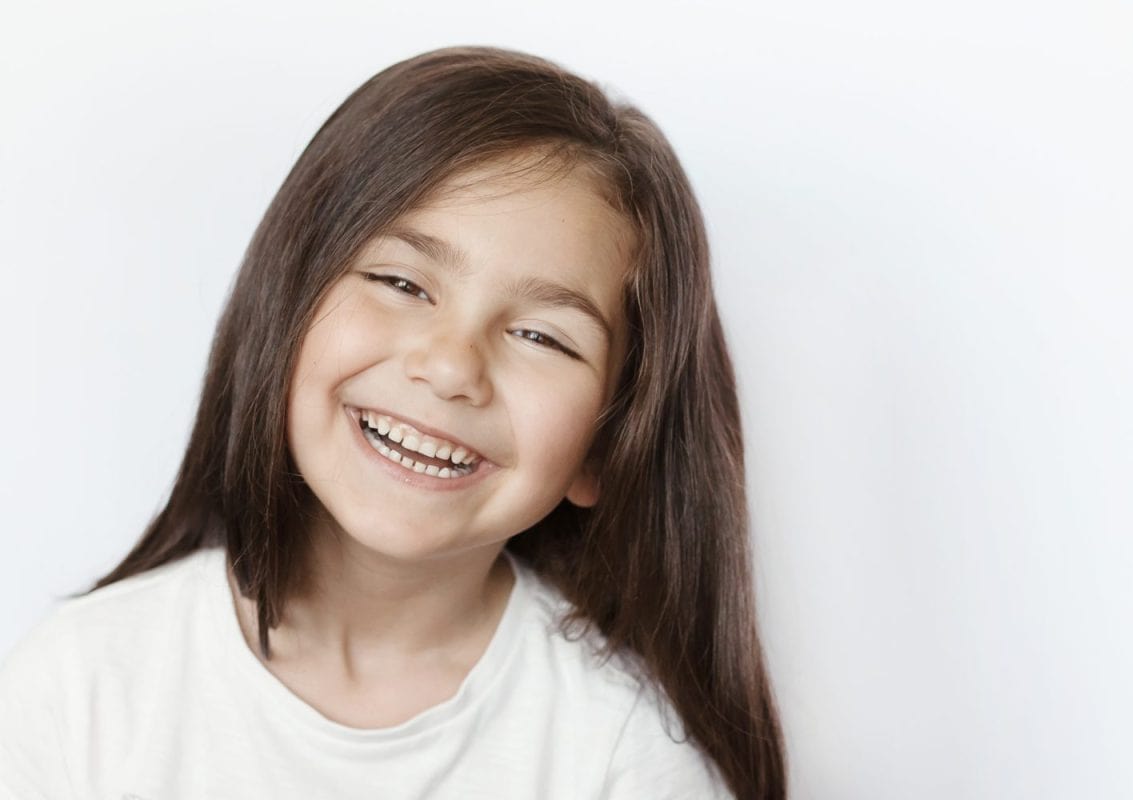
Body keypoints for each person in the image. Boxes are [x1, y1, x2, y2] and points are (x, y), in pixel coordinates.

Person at [0, 46, 787, 799]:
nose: (450, 367)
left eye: (543, 337)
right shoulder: (81, 689)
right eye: (402, 282)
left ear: (608, 444)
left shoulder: (621, 754)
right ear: (285, 310)